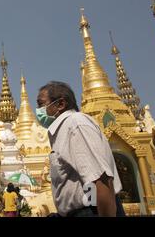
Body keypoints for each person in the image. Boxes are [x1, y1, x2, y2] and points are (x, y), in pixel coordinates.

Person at [36, 81, 125, 217]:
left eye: (41, 104)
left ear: (60, 104)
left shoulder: (75, 125)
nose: (38, 110)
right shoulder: (62, 130)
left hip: (93, 211)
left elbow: (100, 179)